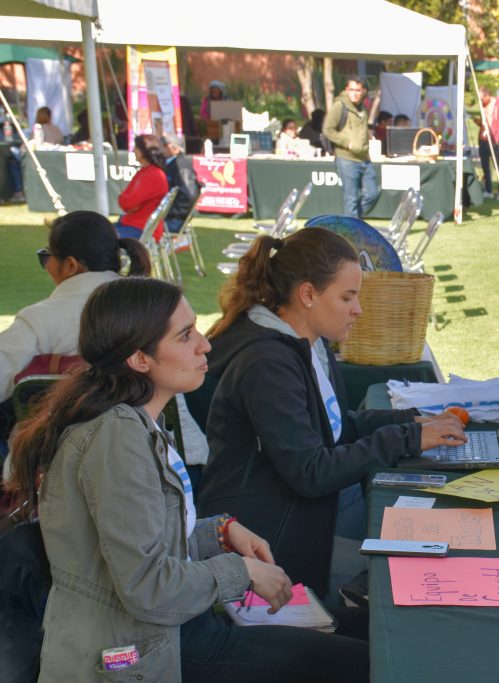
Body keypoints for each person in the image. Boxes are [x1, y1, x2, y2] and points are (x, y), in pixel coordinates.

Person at [6, 277, 368, 682]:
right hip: (144, 651)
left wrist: (217, 533)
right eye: (185, 336)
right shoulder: (116, 438)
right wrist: (243, 572)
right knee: (360, 665)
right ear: (140, 359)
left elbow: (137, 540)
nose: (205, 344)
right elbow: (146, 587)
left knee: (362, 639)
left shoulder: (134, 423)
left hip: (171, 631)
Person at [196, 228, 466, 595]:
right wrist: (405, 438)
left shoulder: (308, 343)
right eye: (347, 297)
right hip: (270, 538)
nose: (358, 309)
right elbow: (311, 471)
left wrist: (409, 422)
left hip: (300, 513)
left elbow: (332, 427)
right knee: (409, 562)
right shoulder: (267, 364)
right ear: (308, 294)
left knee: (423, 524)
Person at [0, 212, 149, 452]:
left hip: (56, 455)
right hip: (156, 447)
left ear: (70, 265)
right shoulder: (155, 305)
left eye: (46, 256)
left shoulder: (42, 318)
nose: (46, 265)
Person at [324, 78, 379, 219]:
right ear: (347, 90)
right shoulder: (340, 106)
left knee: (373, 193)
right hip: (346, 158)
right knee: (351, 199)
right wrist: (347, 143)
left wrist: (366, 152)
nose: (355, 93)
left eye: (358, 90)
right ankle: (350, 233)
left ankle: (351, 221)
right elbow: (328, 129)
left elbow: (363, 132)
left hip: (364, 158)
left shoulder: (361, 108)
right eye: (352, 90)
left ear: (363, 91)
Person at [115, 134, 169, 241]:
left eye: (136, 147)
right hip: (135, 225)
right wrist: (129, 204)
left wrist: (129, 204)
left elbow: (127, 202)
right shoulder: (146, 171)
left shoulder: (153, 174)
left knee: (97, 237)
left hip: (141, 229)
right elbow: (125, 202)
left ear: (142, 152)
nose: (133, 150)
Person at [162, 133, 199, 234]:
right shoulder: (174, 164)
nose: (162, 148)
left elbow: (189, 195)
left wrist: (169, 213)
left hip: (174, 220)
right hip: (172, 217)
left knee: (140, 226)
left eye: (165, 145)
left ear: (176, 149)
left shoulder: (181, 167)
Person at [474, 86, 499, 199]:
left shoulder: (497, 104)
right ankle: (488, 190)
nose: (481, 101)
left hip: (493, 139)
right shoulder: (483, 106)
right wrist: (477, 121)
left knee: (497, 165)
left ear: (487, 95)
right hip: (483, 139)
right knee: (485, 166)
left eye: (482, 98)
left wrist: (498, 138)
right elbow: (484, 122)